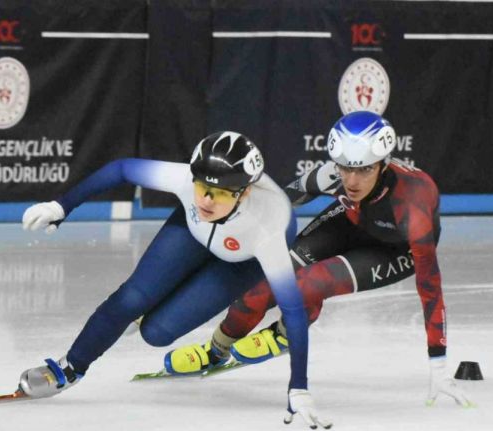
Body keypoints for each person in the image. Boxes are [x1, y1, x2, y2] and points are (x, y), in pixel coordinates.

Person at [16, 131, 331, 428]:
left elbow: (292, 310)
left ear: (245, 192)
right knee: (131, 299)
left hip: (241, 261)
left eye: (220, 193)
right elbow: (122, 169)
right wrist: (61, 206)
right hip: (192, 232)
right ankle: (70, 367)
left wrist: (299, 387)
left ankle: (141, 317)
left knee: (157, 333)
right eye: (201, 187)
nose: (206, 201)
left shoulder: (268, 230)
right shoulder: (187, 183)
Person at [166, 111, 472, 416]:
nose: (351, 180)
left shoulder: (413, 204)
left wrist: (439, 363)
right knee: (261, 283)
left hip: (393, 250)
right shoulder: (331, 174)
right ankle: (216, 350)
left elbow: (430, 288)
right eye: (345, 168)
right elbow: (280, 202)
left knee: (307, 284)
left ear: (382, 163)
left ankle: (284, 334)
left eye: (364, 170)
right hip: (350, 222)